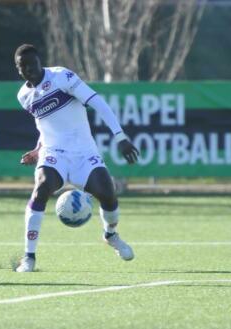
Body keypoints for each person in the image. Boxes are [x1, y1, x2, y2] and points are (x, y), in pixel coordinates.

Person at [13, 44, 139, 272]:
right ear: (18, 69)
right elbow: (44, 126)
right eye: (24, 67)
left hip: (84, 153)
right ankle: (29, 257)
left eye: (33, 64)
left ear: (40, 62)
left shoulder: (62, 77)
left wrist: (120, 137)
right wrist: (37, 150)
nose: (29, 69)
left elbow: (97, 102)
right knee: (41, 189)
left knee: (108, 194)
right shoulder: (23, 96)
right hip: (54, 154)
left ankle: (110, 235)